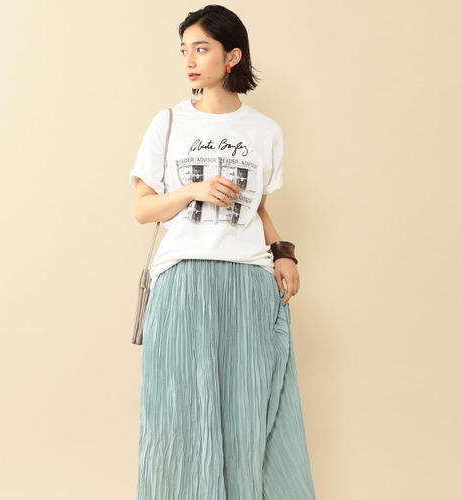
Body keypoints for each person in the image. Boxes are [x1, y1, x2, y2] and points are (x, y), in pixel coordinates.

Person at [129, 5, 317, 499]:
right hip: (183, 281)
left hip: (248, 283)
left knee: (247, 417)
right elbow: (142, 209)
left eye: (202, 48)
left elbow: (258, 208)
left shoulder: (266, 131)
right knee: (175, 421)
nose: (190, 60)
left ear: (231, 56)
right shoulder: (169, 122)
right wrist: (193, 190)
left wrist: (283, 253)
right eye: (184, 50)